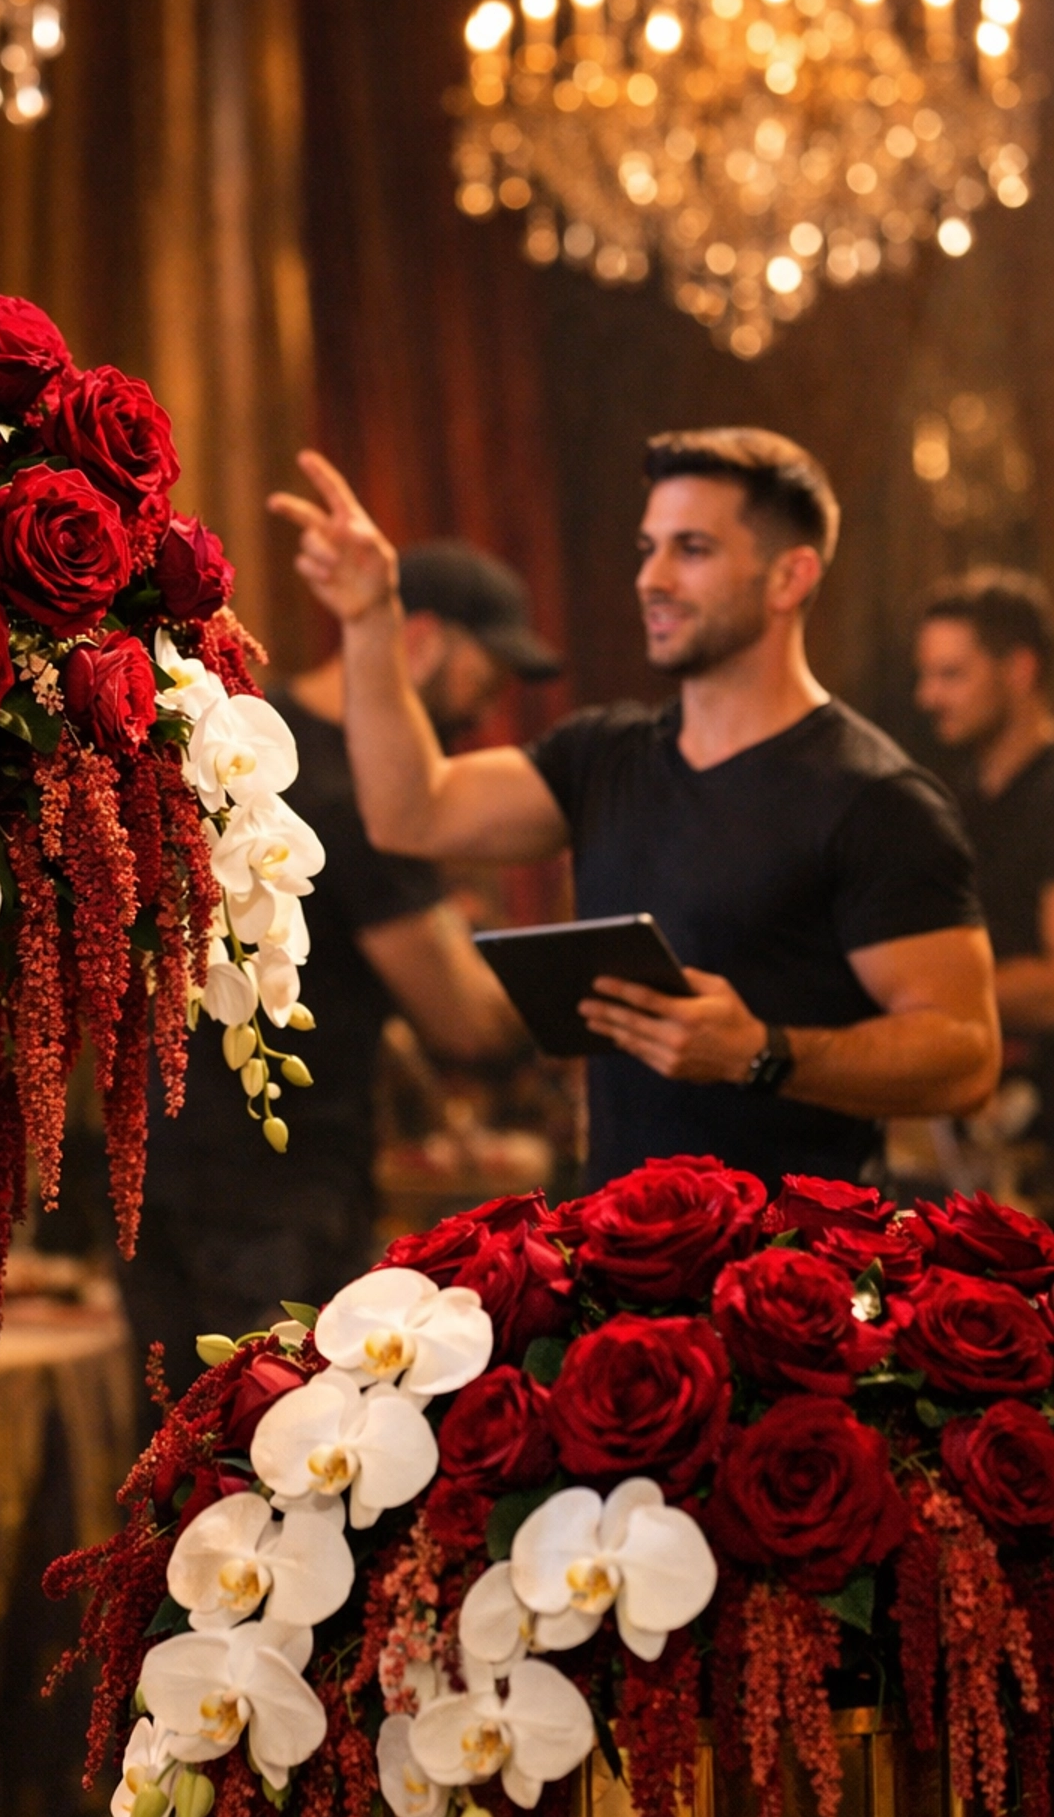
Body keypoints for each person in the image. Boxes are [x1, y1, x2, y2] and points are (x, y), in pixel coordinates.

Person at [269, 430, 1000, 1193]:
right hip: (617, 1245)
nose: (652, 578)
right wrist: (370, 620)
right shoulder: (604, 755)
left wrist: (762, 1051)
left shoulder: (877, 799)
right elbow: (411, 813)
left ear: (790, 577)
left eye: (692, 550)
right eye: (648, 549)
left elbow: (966, 1059)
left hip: (792, 1254)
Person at [123, 541, 550, 1394]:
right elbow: (462, 1021)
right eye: (489, 673)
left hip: (155, 1167)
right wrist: (578, 1001)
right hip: (281, 1192)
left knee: (173, 1451)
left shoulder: (252, 737)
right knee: (273, 1451)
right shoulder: (369, 789)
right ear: (421, 640)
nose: (491, 706)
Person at [915, 569, 1054, 1175]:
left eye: (951, 674)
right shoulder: (953, 803)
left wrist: (915, 998)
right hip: (971, 1136)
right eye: (925, 675)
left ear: (1019, 670)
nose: (928, 697)